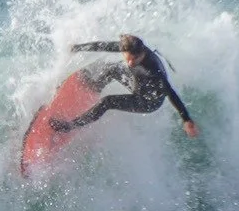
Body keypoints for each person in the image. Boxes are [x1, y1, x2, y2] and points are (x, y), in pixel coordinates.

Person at [53, 35, 199, 136]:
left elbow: (170, 92)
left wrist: (186, 119)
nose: (130, 62)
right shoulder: (128, 47)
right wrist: (77, 48)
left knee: (107, 102)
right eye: (128, 58)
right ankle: (95, 86)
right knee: (113, 69)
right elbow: (101, 45)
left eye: (135, 58)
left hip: (148, 101)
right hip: (137, 84)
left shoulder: (153, 70)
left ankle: (70, 126)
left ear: (142, 53)